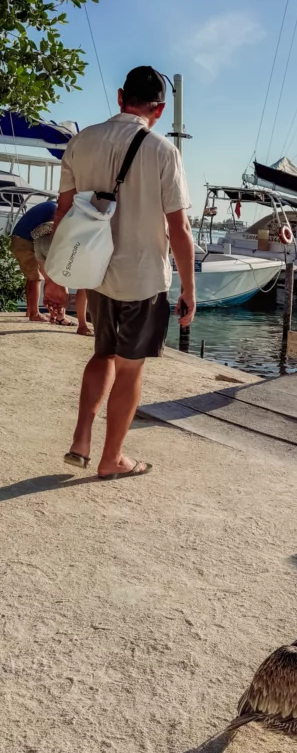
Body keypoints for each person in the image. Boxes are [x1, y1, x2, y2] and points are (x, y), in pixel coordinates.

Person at [46, 66, 196, 479]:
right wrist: (189, 288)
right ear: (160, 109)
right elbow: (180, 229)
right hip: (143, 278)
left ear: (119, 96)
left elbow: (63, 213)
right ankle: (112, 458)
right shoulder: (164, 151)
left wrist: (55, 277)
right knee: (130, 367)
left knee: (102, 355)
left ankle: (81, 439)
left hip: (97, 274)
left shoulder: (81, 141)